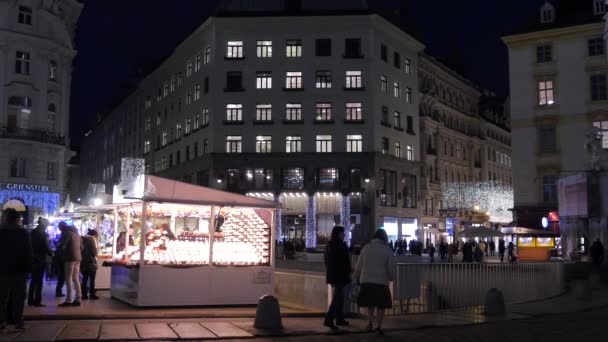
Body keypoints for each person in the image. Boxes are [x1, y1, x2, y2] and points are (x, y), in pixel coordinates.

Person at [353, 229, 395, 335]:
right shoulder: (387, 250)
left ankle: (370, 323)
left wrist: (355, 277)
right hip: (381, 282)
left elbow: (359, 265)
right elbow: (391, 268)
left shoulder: (366, 248)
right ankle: (379, 326)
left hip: (366, 281)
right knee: (381, 306)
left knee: (370, 304)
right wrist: (392, 277)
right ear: (384, 238)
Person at [0, 209, 33, 331]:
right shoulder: (23, 233)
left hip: (2, 270)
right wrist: (29, 269)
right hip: (19, 271)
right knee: (18, 298)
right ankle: (18, 322)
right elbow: (27, 252)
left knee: (2, 298)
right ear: (17, 220)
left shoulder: (1, 232)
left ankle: (1, 321)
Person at [323, 226, 351, 330]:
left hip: (335, 275)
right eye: (342, 233)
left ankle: (339, 318)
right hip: (339, 275)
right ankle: (329, 319)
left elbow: (327, 261)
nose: (344, 235)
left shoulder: (330, 245)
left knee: (340, 297)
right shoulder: (339, 246)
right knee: (337, 298)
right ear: (338, 234)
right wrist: (347, 271)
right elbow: (342, 261)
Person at [28, 218, 53, 307]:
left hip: (33, 259)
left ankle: (30, 300)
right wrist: (51, 253)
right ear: (43, 225)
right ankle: (37, 301)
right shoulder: (41, 234)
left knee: (33, 281)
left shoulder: (33, 232)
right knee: (39, 281)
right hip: (40, 259)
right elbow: (44, 246)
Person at [58, 223, 83, 307]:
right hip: (78, 258)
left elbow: (62, 245)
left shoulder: (66, 233)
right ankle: (78, 298)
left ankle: (69, 300)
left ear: (62, 227)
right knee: (75, 278)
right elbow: (82, 247)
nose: (59, 230)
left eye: (59, 228)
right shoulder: (76, 233)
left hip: (69, 258)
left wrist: (59, 247)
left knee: (68, 278)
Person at [81, 229, 99, 300]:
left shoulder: (83, 239)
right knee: (92, 279)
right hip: (91, 262)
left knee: (84, 279)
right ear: (95, 235)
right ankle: (92, 294)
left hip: (83, 262)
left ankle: (84, 294)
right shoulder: (92, 240)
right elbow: (94, 253)